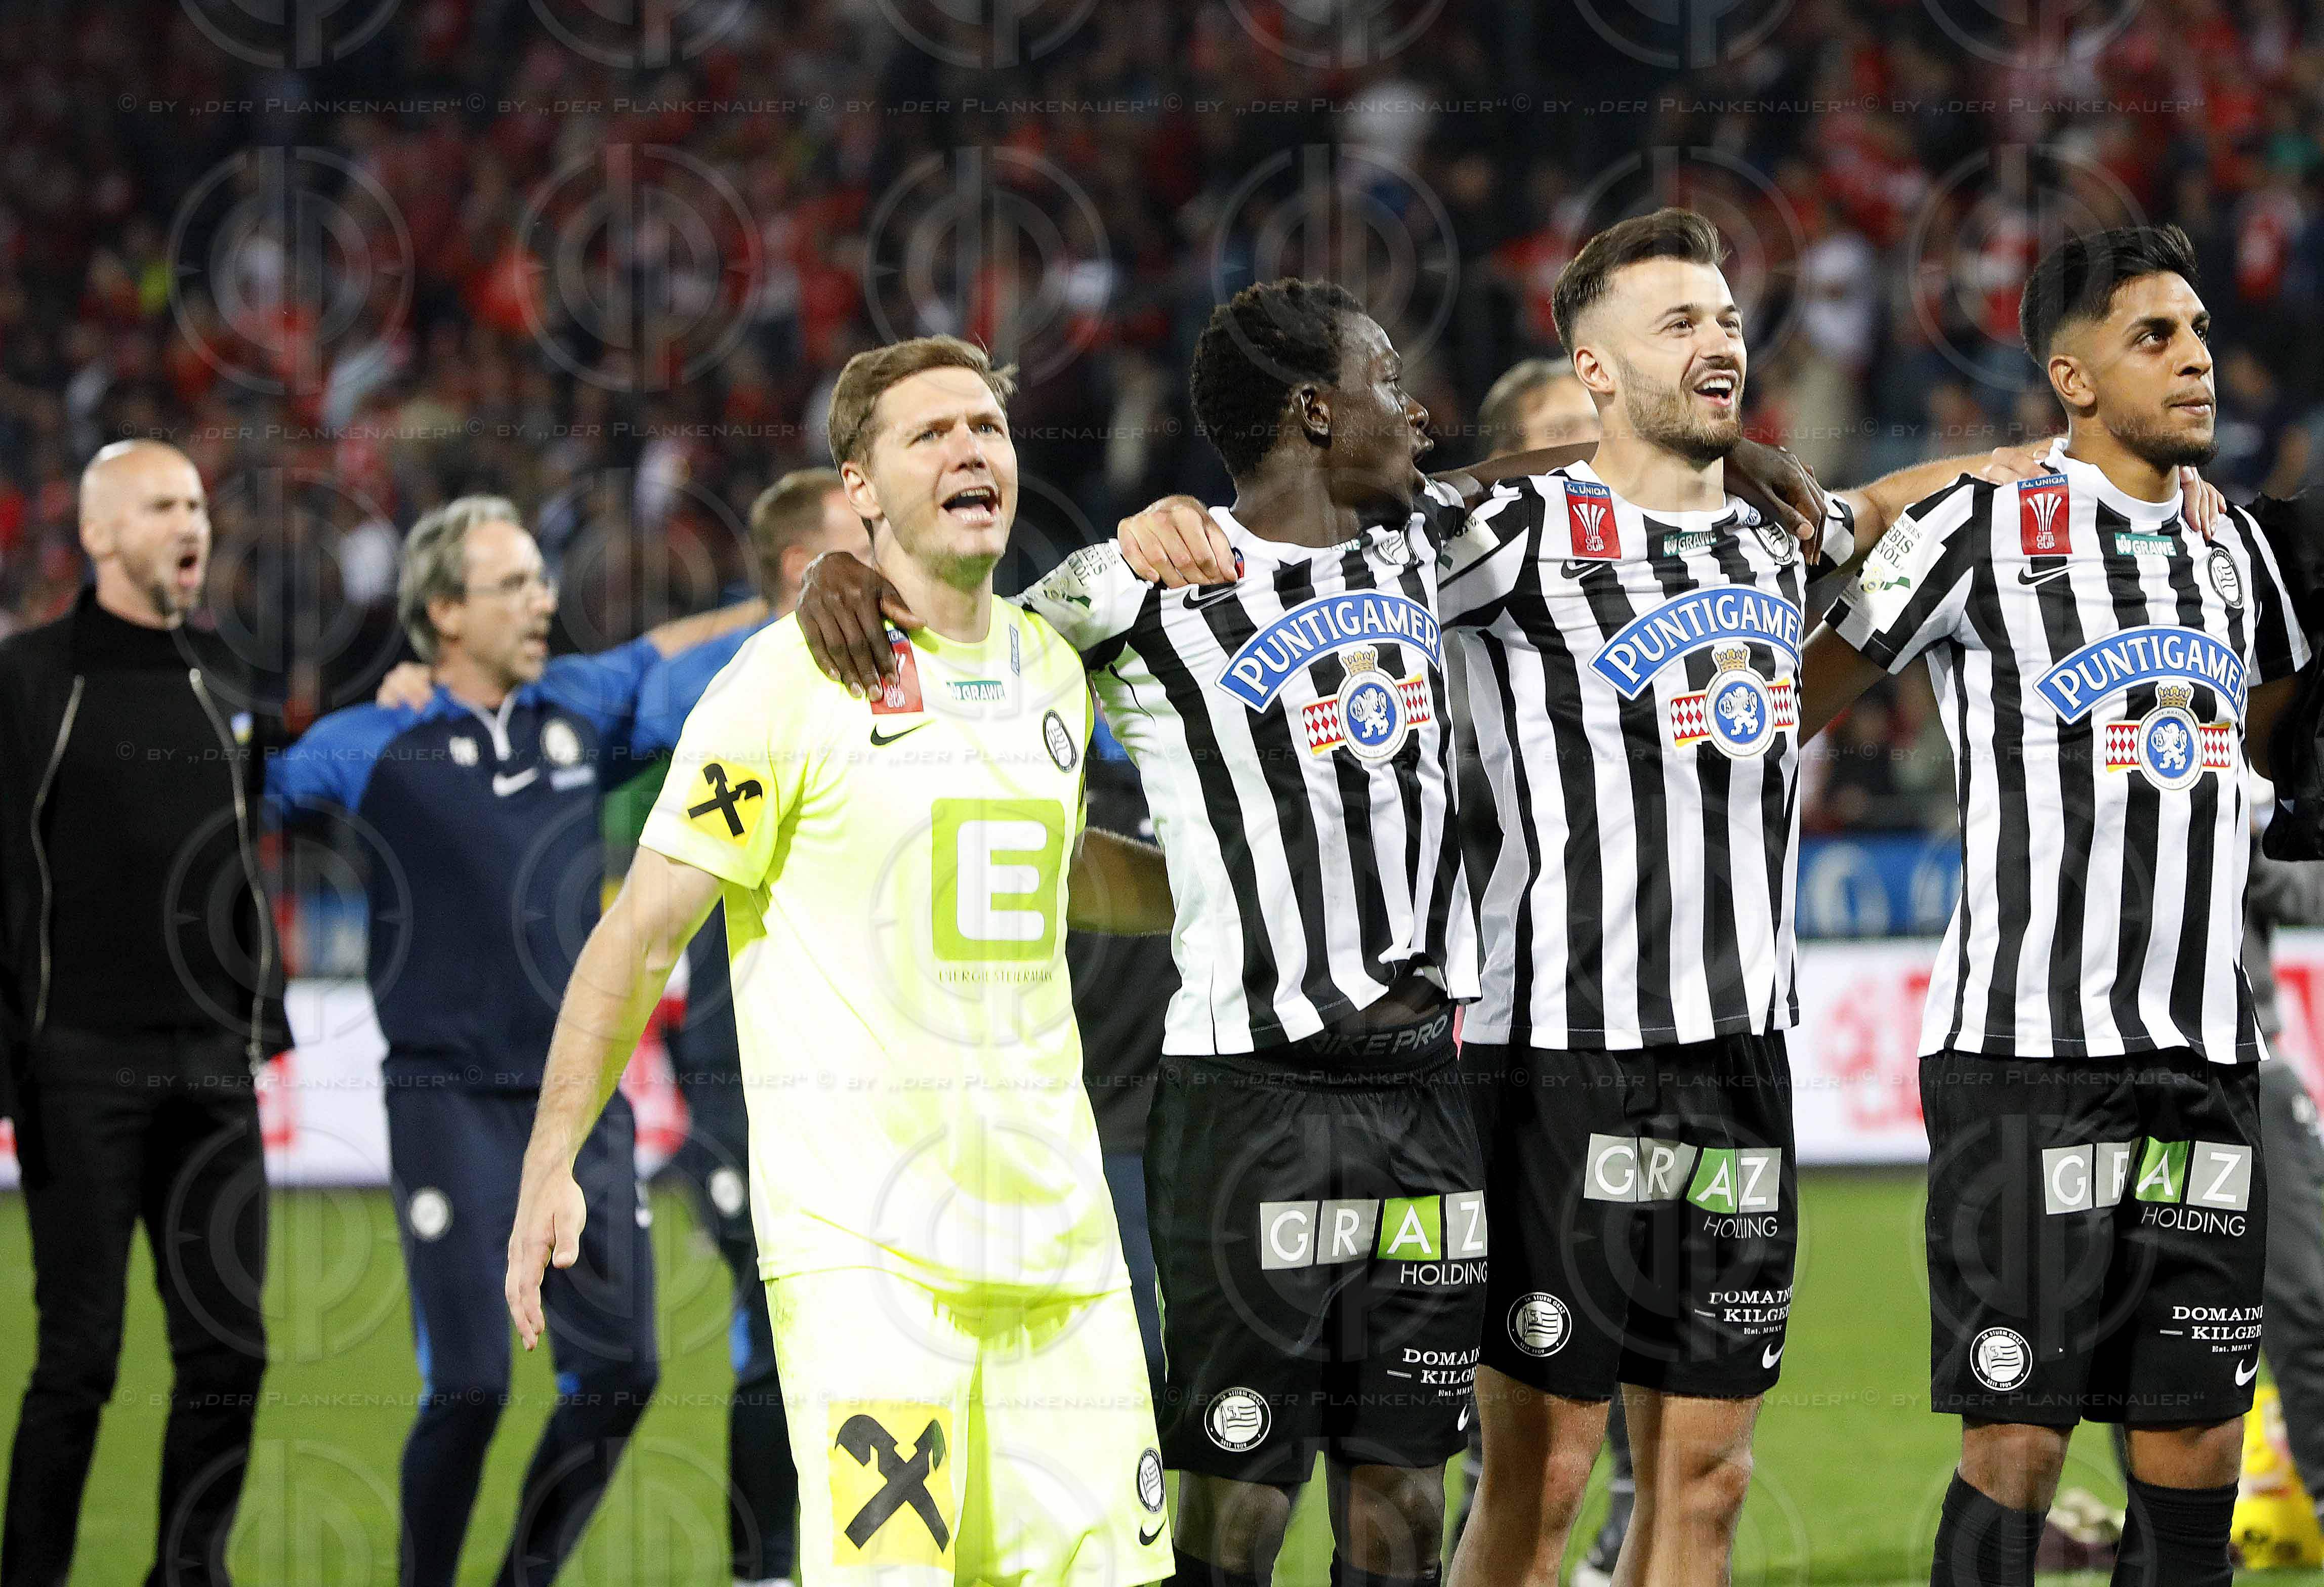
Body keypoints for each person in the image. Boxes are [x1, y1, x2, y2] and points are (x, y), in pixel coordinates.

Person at [792, 278, 1845, 1586]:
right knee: (1236, 1504)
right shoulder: (1131, 589)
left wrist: (1722, 448)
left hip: (1425, 1103)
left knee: (1403, 1506)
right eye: (1385, 379)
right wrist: (847, 566)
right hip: (1251, 1101)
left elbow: (1565, 473)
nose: (1416, 406)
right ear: (1310, 409)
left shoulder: (1430, 551)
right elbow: (965, 634)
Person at [506, 335, 1180, 1587]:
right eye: (929, 434)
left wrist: (1212, 889)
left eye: (986, 425)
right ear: (858, 489)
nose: (970, 447)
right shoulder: (786, 681)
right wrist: (552, 1154)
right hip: (874, 1256)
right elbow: (642, 929)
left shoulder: (1045, 661)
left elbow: (1063, 866)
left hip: (1064, 1247)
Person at [1800, 223, 2310, 1587]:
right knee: (2016, 1439)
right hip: (2027, 1061)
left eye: (2201, 332)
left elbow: (2269, 735)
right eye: (2157, 338)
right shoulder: (1980, 529)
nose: (2198, 359)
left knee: (2193, 1440)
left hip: (2203, 1060)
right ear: (2073, 378)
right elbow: (1804, 693)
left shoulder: (2234, 546)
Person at [267, 495, 764, 1587]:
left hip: (579, 1095)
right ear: (444, 610)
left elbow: (662, 651)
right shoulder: (371, 741)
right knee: (472, 1383)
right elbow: (255, 784)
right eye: (516, 584)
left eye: (542, 579)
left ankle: (524, 1576)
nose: (544, 600)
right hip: (445, 1095)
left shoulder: (576, 704)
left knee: (626, 1368)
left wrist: (782, 598)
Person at [0, 439, 286, 1587]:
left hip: (214, 1062)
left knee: (229, 1349)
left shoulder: (226, 673)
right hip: (79, 1061)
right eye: (165, 504)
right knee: (80, 1357)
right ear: (103, 532)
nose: (194, 522)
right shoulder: (30, 679)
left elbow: (238, 858)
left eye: (200, 504)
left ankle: (187, 1572)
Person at [626, 466, 871, 1587]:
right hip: (741, 1079)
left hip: (864, 1076)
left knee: (858, 1336)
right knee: (778, 1328)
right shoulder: (725, 688)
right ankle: (763, 1563)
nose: (888, 538)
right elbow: (590, 685)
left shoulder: (907, 672)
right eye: (859, 530)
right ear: (798, 567)